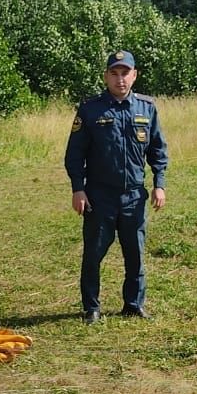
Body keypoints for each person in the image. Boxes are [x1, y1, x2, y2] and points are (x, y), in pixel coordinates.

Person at [64, 50, 168, 323]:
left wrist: (159, 184)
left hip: (134, 195)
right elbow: (75, 155)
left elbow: (158, 150)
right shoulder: (90, 109)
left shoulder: (147, 108)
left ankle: (133, 304)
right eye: (114, 73)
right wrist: (78, 188)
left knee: (135, 253)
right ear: (106, 76)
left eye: (125, 73)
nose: (120, 79)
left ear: (134, 76)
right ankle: (91, 307)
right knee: (94, 253)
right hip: (99, 196)